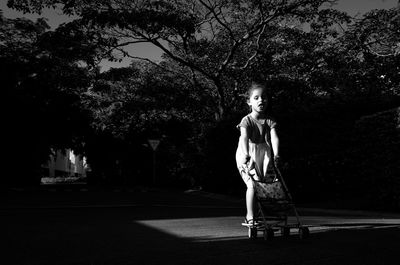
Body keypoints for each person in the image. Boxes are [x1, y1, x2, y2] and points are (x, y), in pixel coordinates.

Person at [235, 82, 280, 225]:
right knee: (252, 185)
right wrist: (246, 155)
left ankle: (260, 213)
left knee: (264, 185)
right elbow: (244, 138)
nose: (261, 100)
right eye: (256, 97)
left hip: (264, 154)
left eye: (264, 97)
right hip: (247, 153)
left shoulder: (269, 120)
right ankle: (250, 216)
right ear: (249, 102)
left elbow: (274, 137)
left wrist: (277, 154)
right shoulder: (246, 120)